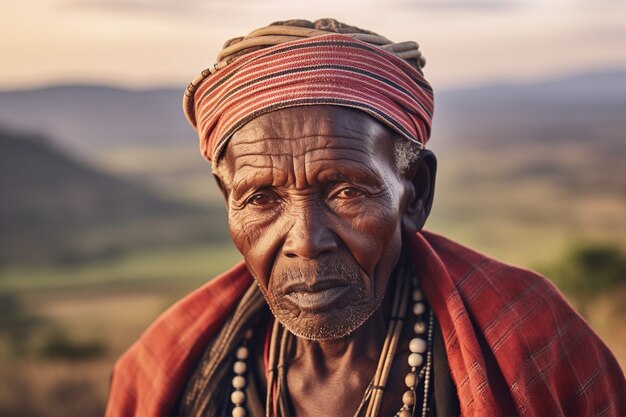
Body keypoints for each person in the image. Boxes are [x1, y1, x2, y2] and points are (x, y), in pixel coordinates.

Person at [105, 19, 625, 417]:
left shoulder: (532, 338)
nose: (306, 241)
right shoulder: (162, 366)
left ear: (415, 193)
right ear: (228, 201)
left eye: (347, 191)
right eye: (261, 198)